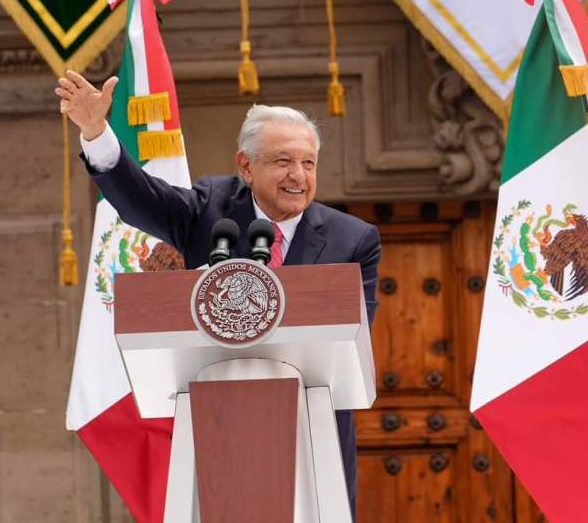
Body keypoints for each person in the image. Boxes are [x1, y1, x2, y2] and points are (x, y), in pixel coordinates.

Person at [55, 70, 381, 518]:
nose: (298, 176)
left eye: (308, 163)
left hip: (312, 434)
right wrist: (96, 133)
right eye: (283, 161)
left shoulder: (354, 239)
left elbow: (354, 339)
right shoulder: (211, 209)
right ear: (246, 166)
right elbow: (142, 199)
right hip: (216, 426)